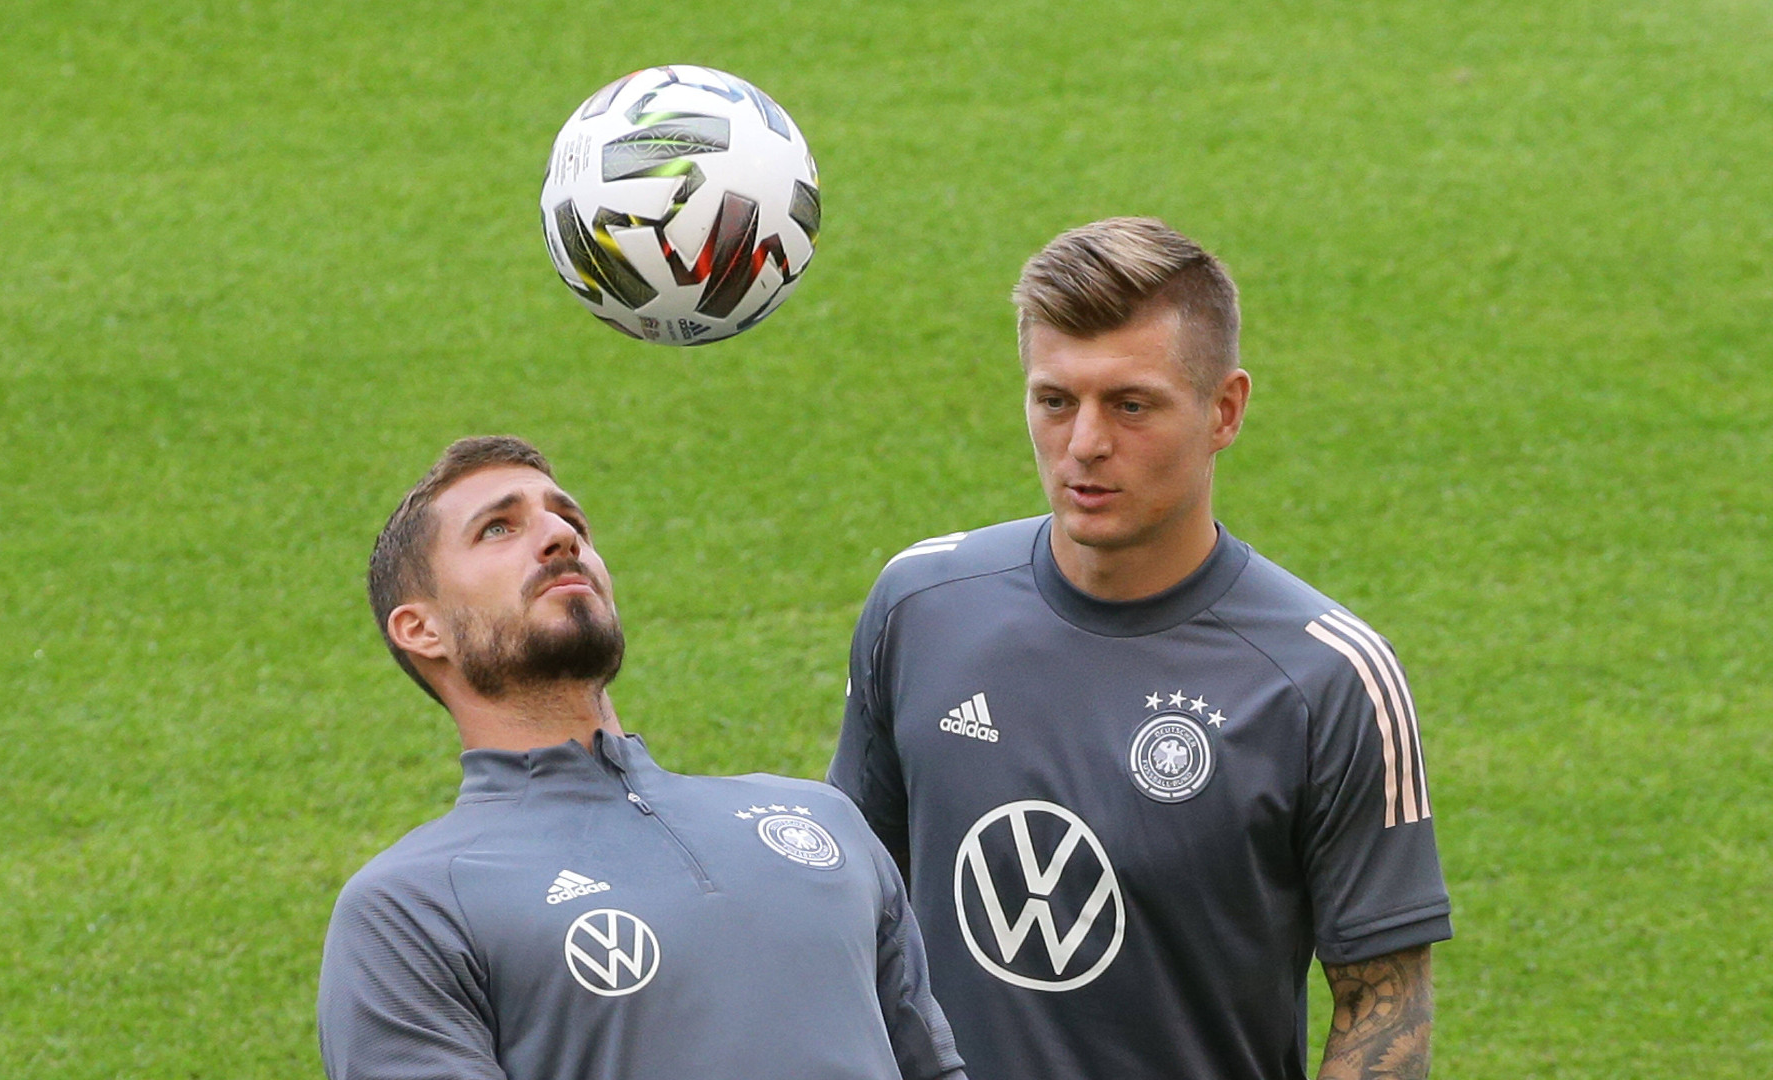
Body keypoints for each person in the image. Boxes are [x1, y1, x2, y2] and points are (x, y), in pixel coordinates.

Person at [828, 218, 1452, 1080]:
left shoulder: (1326, 676)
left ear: (1224, 410)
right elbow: (853, 909)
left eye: (1130, 404)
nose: (1084, 444)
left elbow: (1383, 1006)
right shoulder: (921, 605)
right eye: (1055, 400)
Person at [319, 436, 965, 1080]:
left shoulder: (824, 820)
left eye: (570, 520)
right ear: (421, 629)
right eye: (497, 528)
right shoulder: (410, 907)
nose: (559, 537)